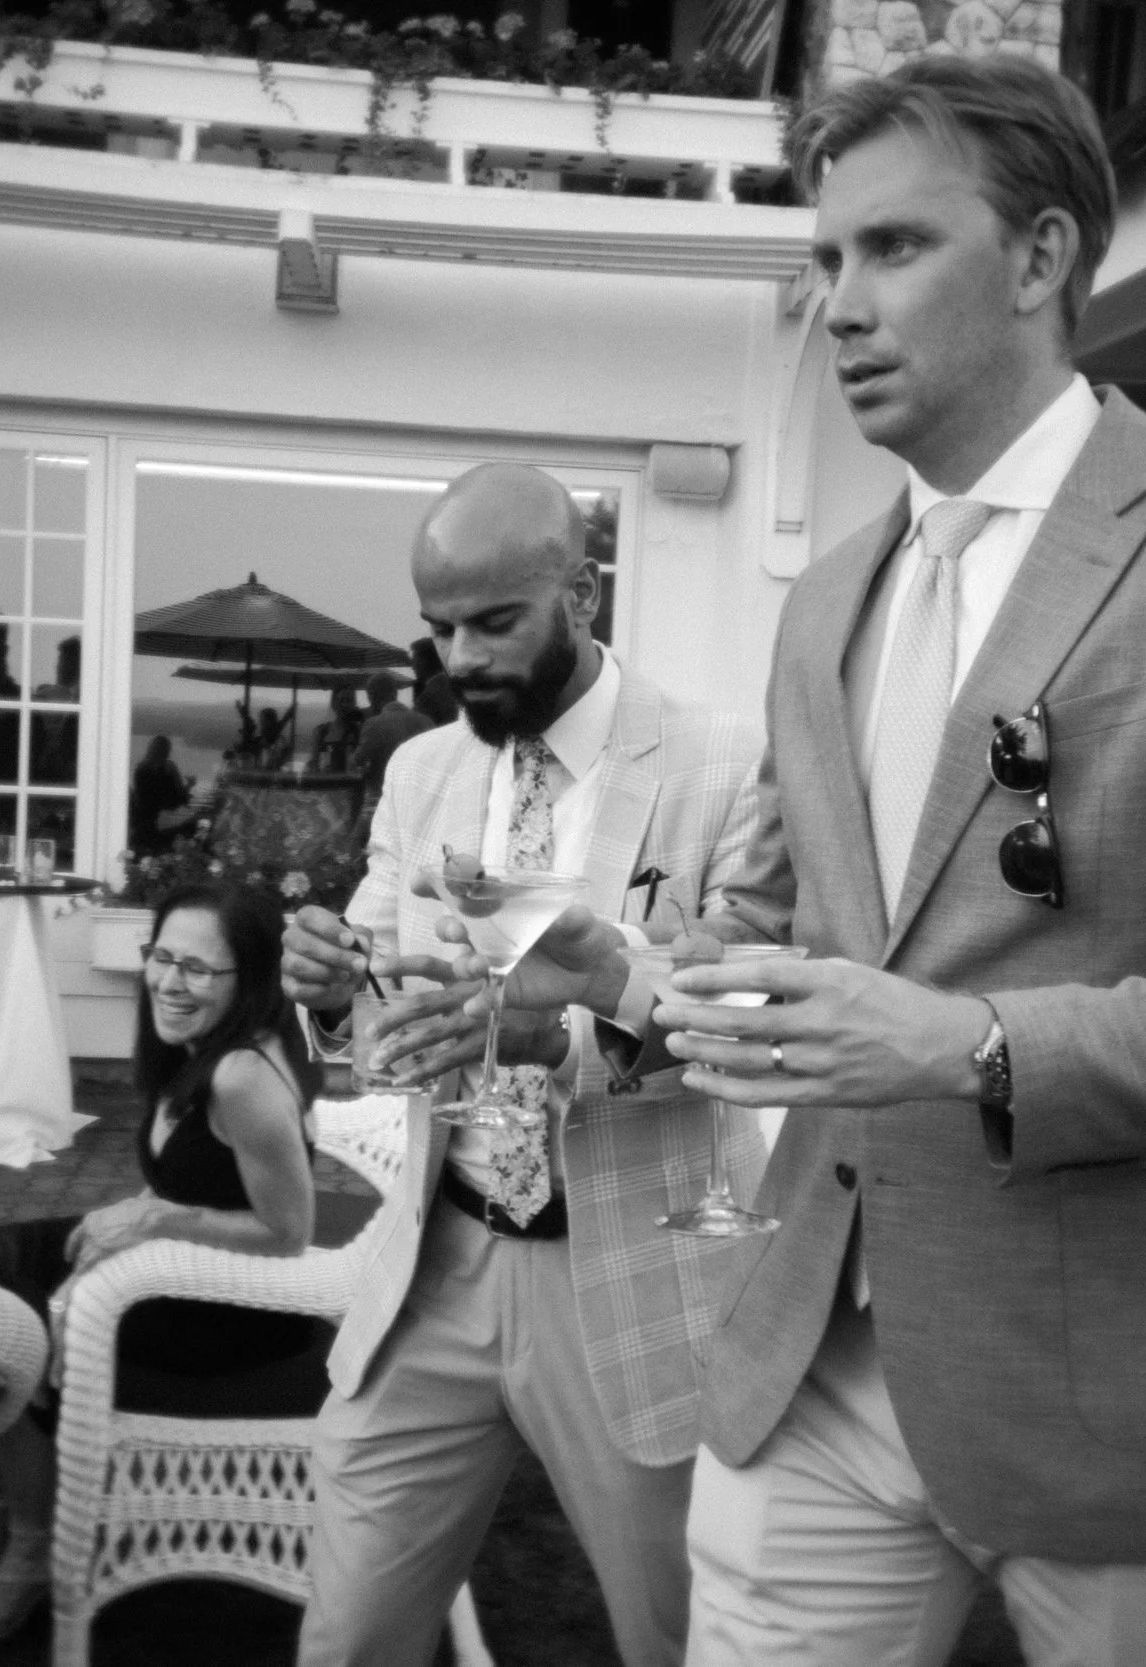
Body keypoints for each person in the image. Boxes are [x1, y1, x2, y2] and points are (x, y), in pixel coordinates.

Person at [633, 57, 1146, 1667]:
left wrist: (968, 1044)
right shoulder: (828, 593)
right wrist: (623, 979)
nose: (840, 305)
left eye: (895, 249)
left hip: (1127, 1382)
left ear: (1043, 255)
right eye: (827, 260)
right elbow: (781, 933)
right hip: (816, 1353)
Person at [279, 462, 765, 1667]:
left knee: (678, 1640)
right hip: (435, 1259)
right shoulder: (421, 769)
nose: (462, 657)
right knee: (344, 1641)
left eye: (494, 621)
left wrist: (551, 1032)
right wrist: (332, 984)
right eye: (440, 628)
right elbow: (383, 997)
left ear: (582, 593)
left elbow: (747, 1014)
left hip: (635, 1260)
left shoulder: (724, 761)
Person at [0, 880, 321, 1643]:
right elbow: (187, 1174)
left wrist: (151, 1219)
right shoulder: (193, 1046)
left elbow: (290, 1232)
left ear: (250, 978)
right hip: (177, 1251)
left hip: (228, 1308)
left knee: (25, 1323)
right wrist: (134, 1215)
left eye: (198, 969)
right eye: (162, 957)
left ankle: (21, 1543)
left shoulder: (241, 1075)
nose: (171, 981)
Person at [349, 669, 432, 807]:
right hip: (420, 800)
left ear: (371, 697)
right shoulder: (426, 721)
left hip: (386, 801)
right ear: (395, 693)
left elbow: (356, 762)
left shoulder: (373, 725)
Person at [129, 735, 193, 855]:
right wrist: (189, 786)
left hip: (147, 822)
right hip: (160, 824)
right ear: (167, 751)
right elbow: (177, 799)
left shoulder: (142, 768)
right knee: (193, 827)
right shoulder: (166, 769)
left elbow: (144, 798)